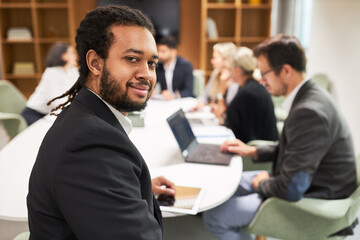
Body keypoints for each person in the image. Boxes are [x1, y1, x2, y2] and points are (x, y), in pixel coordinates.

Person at [27, 5, 175, 239]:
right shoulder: (91, 145)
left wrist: (136, 187)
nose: (146, 74)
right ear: (95, 63)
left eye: (152, 63)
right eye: (132, 59)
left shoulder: (86, 118)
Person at [202, 35, 358, 240]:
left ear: (285, 70)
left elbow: (292, 188)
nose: (260, 79)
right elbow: (296, 147)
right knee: (229, 183)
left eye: (264, 72)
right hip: (305, 182)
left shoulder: (309, 112)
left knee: (214, 215)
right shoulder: (311, 95)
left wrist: (261, 184)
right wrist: (254, 150)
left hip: (316, 199)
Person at [223, 46, 278, 143]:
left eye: (230, 69)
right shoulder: (254, 88)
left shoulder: (247, 94)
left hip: (254, 152)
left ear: (237, 70)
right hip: (264, 149)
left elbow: (234, 126)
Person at [21, 42, 79, 125]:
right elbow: (57, 101)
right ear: (64, 56)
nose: (75, 56)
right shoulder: (51, 72)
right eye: (72, 53)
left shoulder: (72, 71)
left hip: (50, 113)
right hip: (35, 113)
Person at [193, 42, 237, 111]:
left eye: (214, 58)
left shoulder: (235, 79)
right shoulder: (215, 73)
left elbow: (231, 107)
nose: (211, 61)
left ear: (226, 60)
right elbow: (205, 95)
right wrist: (200, 103)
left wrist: (218, 106)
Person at [156, 35, 194, 100]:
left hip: (181, 101)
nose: (159, 55)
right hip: (164, 101)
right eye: (158, 51)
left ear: (173, 52)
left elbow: (189, 91)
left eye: (163, 51)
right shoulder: (158, 66)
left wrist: (174, 96)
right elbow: (153, 84)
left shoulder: (186, 65)